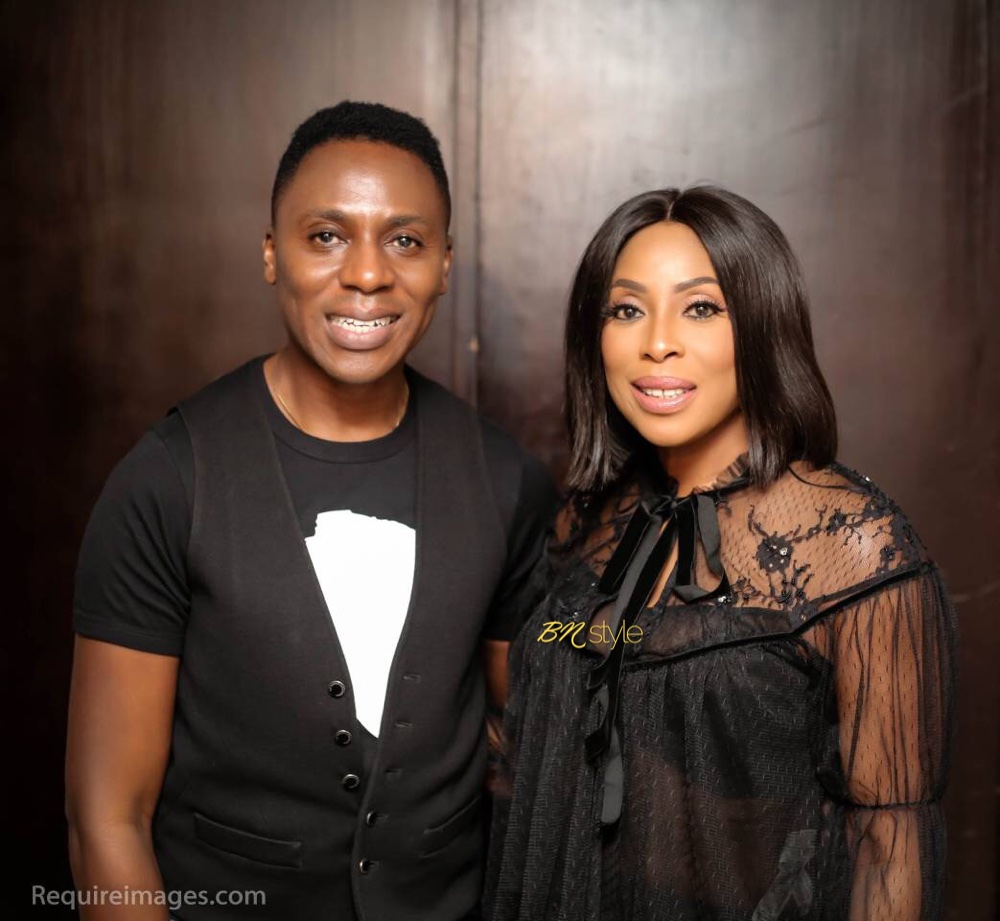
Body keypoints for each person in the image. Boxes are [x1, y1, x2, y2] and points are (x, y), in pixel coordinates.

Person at [65, 101, 557, 921]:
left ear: (444, 264)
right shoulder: (168, 479)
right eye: (326, 235)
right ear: (271, 253)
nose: (367, 274)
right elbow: (106, 818)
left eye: (405, 241)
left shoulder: (505, 480)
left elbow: (537, 733)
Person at [484, 186, 956, 920]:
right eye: (626, 310)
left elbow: (890, 845)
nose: (657, 342)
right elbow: (530, 762)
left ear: (763, 325)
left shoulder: (856, 546)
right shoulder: (585, 520)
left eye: (701, 307)